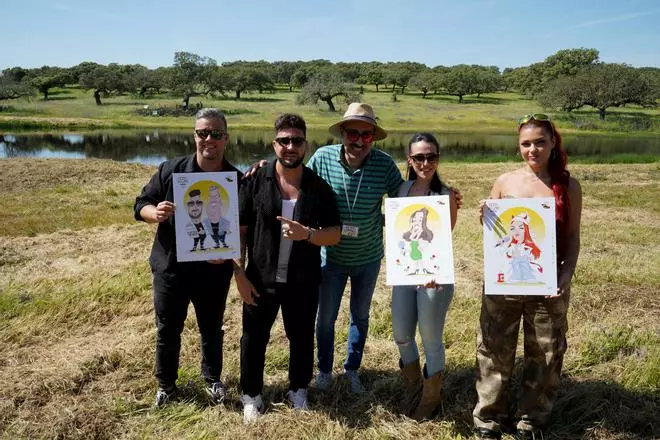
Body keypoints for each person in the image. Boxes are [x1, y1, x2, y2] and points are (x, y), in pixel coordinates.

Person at [473, 114, 582, 440]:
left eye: (539, 142)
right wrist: (485, 216)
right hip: (504, 281)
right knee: (494, 349)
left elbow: (574, 237)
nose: (532, 149)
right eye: (526, 143)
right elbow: (496, 233)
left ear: (552, 143)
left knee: (545, 355)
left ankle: (529, 421)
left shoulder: (568, 185)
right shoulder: (505, 181)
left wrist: (565, 274)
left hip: (548, 285)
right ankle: (488, 418)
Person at [233, 113, 341, 423]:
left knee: (302, 337)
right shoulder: (254, 180)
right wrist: (239, 275)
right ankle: (252, 395)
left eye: (296, 141)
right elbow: (239, 231)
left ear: (306, 145)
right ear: (274, 144)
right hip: (259, 278)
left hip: (303, 281)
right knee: (253, 338)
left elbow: (333, 234)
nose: (290, 146)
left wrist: (306, 234)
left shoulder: (318, 188)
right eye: (284, 141)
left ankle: (298, 389)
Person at [133, 108, 243, 407]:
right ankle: (167, 385)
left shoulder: (235, 179)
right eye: (203, 133)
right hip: (171, 268)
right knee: (168, 328)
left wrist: (228, 254)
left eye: (216, 134)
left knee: (212, 328)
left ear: (226, 138)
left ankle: (212, 380)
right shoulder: (172, 171)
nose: (209, 140)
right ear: (194, 136)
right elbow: (141, 203)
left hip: (213, 272)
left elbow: (241, 227)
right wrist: (154, 214)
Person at [308, 103, 405, 394]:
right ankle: (324, 370)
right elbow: (297, 185)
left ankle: (352, 369)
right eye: (353, 133)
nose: (359, 141)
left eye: (367, 135)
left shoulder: (384, 164)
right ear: (342, 133)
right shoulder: (322, 158)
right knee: (325, 317)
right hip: (331, 257)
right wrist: (265, 167)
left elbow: (406, 200)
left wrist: (441, 195)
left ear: (373, 137)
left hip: (369, 256)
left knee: (360, 316)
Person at [391, 133, 458, 420]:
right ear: (410, 160)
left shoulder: (446, 196)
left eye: (431, 156)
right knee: (401, 334)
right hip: (405, 274)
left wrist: (433, 272)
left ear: (438, 158)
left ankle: (430, 399)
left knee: (431, 339)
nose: (425, 162)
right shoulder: (400, 190)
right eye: (419, 157)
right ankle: (413, 385)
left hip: (434, 278)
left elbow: (445, 239)